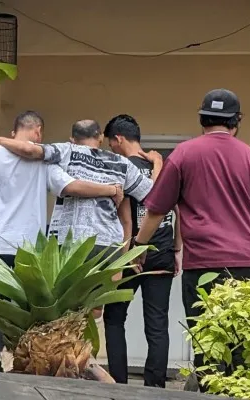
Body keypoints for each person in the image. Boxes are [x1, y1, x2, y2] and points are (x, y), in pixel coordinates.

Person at [131, 89, 250, 392]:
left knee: (208, 348)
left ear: (202, 119)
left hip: (203, 267)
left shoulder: (183, 155)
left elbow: (156, 210)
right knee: (242, 345)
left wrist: (139, 247)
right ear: (236, 122)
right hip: (247, 266)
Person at [0, 111, 124, 371]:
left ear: (15, 132)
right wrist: (112, 190)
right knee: (29, 312)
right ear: (38, 132)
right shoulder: (44, 163)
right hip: (30, 252)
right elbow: (71, 187)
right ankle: (24, 363)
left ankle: (1, 365)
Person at [102, 114, 182, 388]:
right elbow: (176, 207)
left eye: (111, 143)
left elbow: (149, 203)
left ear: (119, 139)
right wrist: (177, 248)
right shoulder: (165, 167)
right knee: (157, 323)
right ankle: (155, 387)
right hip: (162, 252)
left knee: (114, 319)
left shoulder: (120, 166)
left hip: (130, 252)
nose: (111, 149)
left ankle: (118, 384)